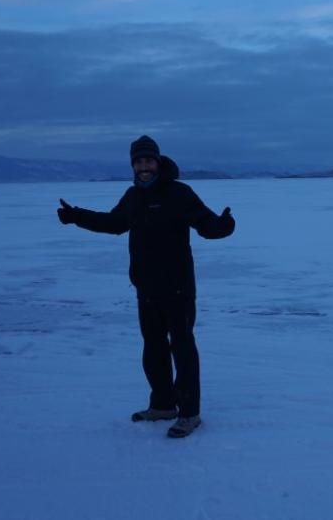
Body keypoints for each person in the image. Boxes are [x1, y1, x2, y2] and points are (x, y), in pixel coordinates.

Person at [56, 135, 235, 438]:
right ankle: (164, 405)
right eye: (138, 162)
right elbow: (114, 223)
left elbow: (205, 224)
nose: (143, 166)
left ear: (158, 161)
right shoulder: (132, 196)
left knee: (182, 348)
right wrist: (77, 216)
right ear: (133, 166)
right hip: (146, 287)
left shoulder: (179, 193)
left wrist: (223, 226)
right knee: (153, 350)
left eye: (148, 160)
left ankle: (189, 413)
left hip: (178, 287)